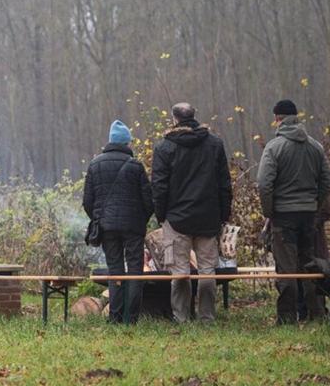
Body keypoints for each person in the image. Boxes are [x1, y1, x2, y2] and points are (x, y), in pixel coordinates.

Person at [151, 102, 233, 324]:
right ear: (194, 117)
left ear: (174, 119)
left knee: (178, 272)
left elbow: (159, 186)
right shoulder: (214, 144)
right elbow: (225, 183)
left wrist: (160, 217)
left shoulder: (164, 147)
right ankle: (207, 318)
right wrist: (224, 215)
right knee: (208, 271)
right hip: (208, 218)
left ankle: (181, 318)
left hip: (176, 220)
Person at [257, 99, 330, 324]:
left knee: (287, 270)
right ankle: (317, 314)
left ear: (277, 119)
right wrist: (314, 203)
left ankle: (287, 318)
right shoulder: (315, 146)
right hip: (308, 216)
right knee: (310, 265)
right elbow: (327, 182)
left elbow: (264, 184)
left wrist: (269, 211)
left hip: (283, 217)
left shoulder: (274, 147)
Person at [83, 120, 153, 323]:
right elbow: (148, 200)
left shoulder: (95, 164)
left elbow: (87, 200)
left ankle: (115, 317)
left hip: (107, 228)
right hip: (133, 227)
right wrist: (142, 220)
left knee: (115, 270)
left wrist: (98, 219)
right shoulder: (136, 165)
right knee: (134, 271)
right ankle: (131, 319)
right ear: (127, 143)